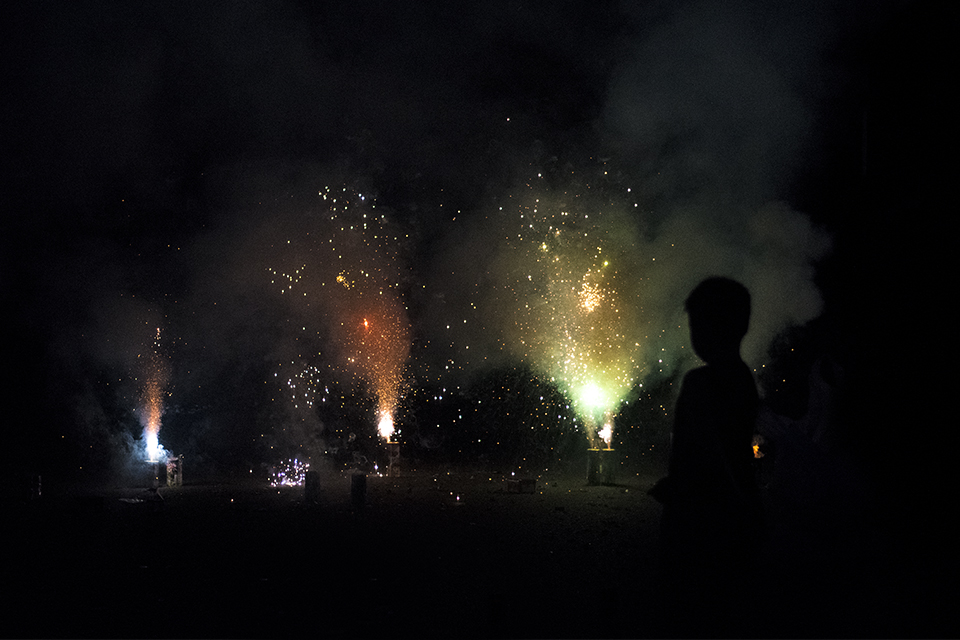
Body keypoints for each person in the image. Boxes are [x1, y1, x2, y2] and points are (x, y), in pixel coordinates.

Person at [656, 276, 763, 634]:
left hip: (698, 524)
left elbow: (714, 453)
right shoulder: (744, 379)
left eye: (696, 324)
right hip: (729, 520)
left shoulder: (700, 383)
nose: (694, 334)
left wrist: (680, 490)